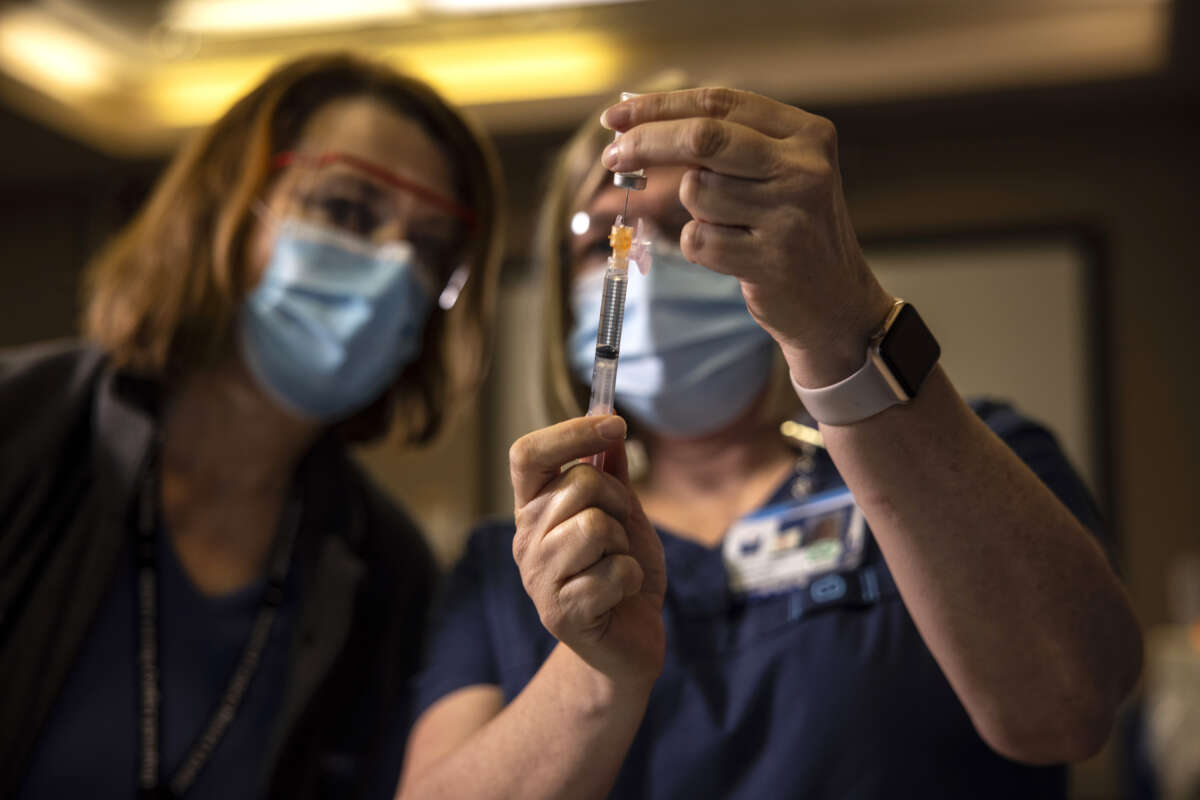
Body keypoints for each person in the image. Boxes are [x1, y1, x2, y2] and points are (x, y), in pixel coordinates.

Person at [397, 88, 1143, 799]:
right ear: (564, 293)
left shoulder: (971, 455)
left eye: (700, 223)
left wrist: (844, 323)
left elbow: (1069, 710)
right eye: (609, 241)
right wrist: (596, 675)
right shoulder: (511, 564)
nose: (649, 264)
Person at [0, 53, 501, 799]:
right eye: (348, 210)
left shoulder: (385, 572)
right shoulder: (20, 429)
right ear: (228, 205)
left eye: (428, 246)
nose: (392, 265)